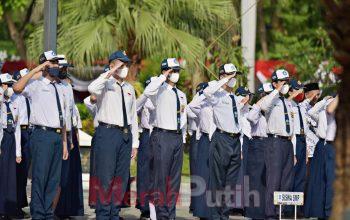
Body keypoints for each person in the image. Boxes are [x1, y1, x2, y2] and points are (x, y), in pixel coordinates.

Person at [13, 50, 69, 219]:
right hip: (41, 135)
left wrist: (65, 142)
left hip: (57, 137)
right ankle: (38, 214)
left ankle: (47, 213)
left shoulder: (60, 87)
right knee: (40, 177)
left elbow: (63, 117)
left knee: (53, 179)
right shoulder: (35, 86)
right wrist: (37, 69)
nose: (56, 66)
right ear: (45, 65)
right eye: (52, 62)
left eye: (56, 63)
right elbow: (17, 88)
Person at [88, 50, 138, 219]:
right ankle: (102, 215)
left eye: (126, 65)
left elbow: (133, 118)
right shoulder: (105, 84)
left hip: (125, 135)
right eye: (121, 64)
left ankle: (114, 214)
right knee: (106, 178)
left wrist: (135, 143)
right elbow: (91, 88)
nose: (125, 68)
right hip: (107, 133)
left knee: (121, 178)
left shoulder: (130, 88)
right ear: (113, 65)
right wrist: (110, 72)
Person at [143, 58, 187, 220]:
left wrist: (182, 138)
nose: (176, 74)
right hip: (162, 136)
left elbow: (183, 119)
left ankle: (170, 214)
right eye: (172, 71)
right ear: (165, 71)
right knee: (160, 179)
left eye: (177, 71)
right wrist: (162, 76)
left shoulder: (181, 94)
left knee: (174, 179)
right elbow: (147, 91)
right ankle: (161, 215)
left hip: (176, 138)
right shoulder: (158, 90)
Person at [203, 63, 245, 220]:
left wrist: (239, 146)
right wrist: (224, 80)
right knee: (218, 182)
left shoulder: (234, 98)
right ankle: (215, 216)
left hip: (235, 141)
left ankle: (224, 216)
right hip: (221, 139)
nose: (234, 78)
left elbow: (238, 123)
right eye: (231, 75)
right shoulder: (216, 95)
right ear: (222, 76)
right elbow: (207, 91)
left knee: (230, 184)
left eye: (235, 75)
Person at [259, 69, 295, 219]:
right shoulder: (270, 99)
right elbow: (263, 107)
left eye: (287, 82)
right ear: (274, 83)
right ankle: (270, 214)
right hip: (275, 142)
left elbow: (292, 126)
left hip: (287, 143)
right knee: (274, 179)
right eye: (282, 82)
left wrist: (293, 152)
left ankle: (281, 211)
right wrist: (276, 90)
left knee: (286, 180)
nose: (286, 84)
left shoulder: (288, 102)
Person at [55, 58, 84, 217]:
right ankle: (56, 209)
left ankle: (68, 208)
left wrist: (74, 139)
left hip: (70, 133)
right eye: (63, 67)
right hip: (58, 132)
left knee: (70, 174)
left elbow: (72, 113)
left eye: (66, 68)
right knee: (59, 174)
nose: (65, 70)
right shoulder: (54, 86)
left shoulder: (67, 86)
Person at [304, 95, 338, 219]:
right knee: (324, 179)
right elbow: (311, 112)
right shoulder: (327, 109)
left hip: (329, 145)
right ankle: (325, 212)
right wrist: (324, 101)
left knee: (324, 180)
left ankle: (324, 211)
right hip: (324, 145)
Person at [244, 83, 273, 219]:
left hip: (271, 144)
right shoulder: (255, 109)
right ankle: (254, 213)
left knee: (269, 180)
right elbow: (250, 118)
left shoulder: (273, 109)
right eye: (266, 95)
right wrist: (260, 104)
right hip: (257, 144)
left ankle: (267, 211)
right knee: (255, 180)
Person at [187, 81, 215, 219]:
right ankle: (198, 207)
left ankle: (211, 209)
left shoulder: (216, 102)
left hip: (216, 141)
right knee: (200, 176)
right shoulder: (200, 104)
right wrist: (202, 94)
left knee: (213, 178)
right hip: (200, 139)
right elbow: (190, 108)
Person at [0, 73, 21, 218]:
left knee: (10, 176)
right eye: (6, 85)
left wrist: (18, 151)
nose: (9, 88)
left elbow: (17, 127)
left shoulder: (14, 103)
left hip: (11, 139)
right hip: (1, 140)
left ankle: (9, 209)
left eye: (10, 85)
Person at [11, 68, 32, 218]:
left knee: (24, 173)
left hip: (31, 132)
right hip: (19, 132)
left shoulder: (32, 93)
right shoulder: (14, 96)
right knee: (17, 171)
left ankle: (21, 203)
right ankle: (15, 205)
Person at [135, 78, 155, 220]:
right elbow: (134, 109)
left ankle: (157, 206)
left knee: (159, 172)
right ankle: (144, 207)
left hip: (160, 135)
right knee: (144, 173)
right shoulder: (144, 99)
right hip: (147, 135)